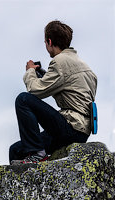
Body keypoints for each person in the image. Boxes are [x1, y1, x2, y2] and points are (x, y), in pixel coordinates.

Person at [9, 20, 97, 164]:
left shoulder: (60, 61)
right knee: (16, 150)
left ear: (49, 41)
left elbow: (35, 90)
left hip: (70, 128)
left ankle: (37, 154)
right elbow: (69, 88)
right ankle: (26, 181)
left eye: (45, 42)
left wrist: (30, 71)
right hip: (82, 132)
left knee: (23, 99)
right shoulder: (86, 68)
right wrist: (44, 74)